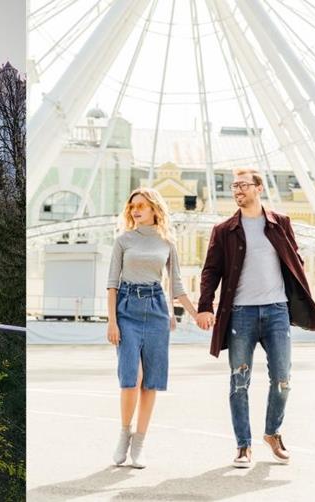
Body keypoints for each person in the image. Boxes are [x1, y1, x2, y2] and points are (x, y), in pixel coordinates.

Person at [195, 167, 315, 468]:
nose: (237, 190)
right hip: (240, 313)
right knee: (239, 381)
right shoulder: (224, 230)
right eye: (234, 186)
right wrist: (205, 306)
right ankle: (243, 446)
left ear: (258, 188)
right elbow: (210, 271)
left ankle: (272, 433)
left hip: (277, 311)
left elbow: (294, 259)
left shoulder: (280, 223)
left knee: (283, 379)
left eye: (243, 185)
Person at [106, 187, 197, 468]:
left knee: (151, 381)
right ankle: (124, 433)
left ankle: (140, 442)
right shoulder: (123, 240)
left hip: (156, 309)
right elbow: (112, 284)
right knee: (131, 376)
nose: (135, 210)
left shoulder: (167, 242)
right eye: (132, 206)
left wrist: (196, 314)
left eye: (141, 206)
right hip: (127, 308)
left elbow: (177, 285)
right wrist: (112, 321)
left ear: (154, 209)